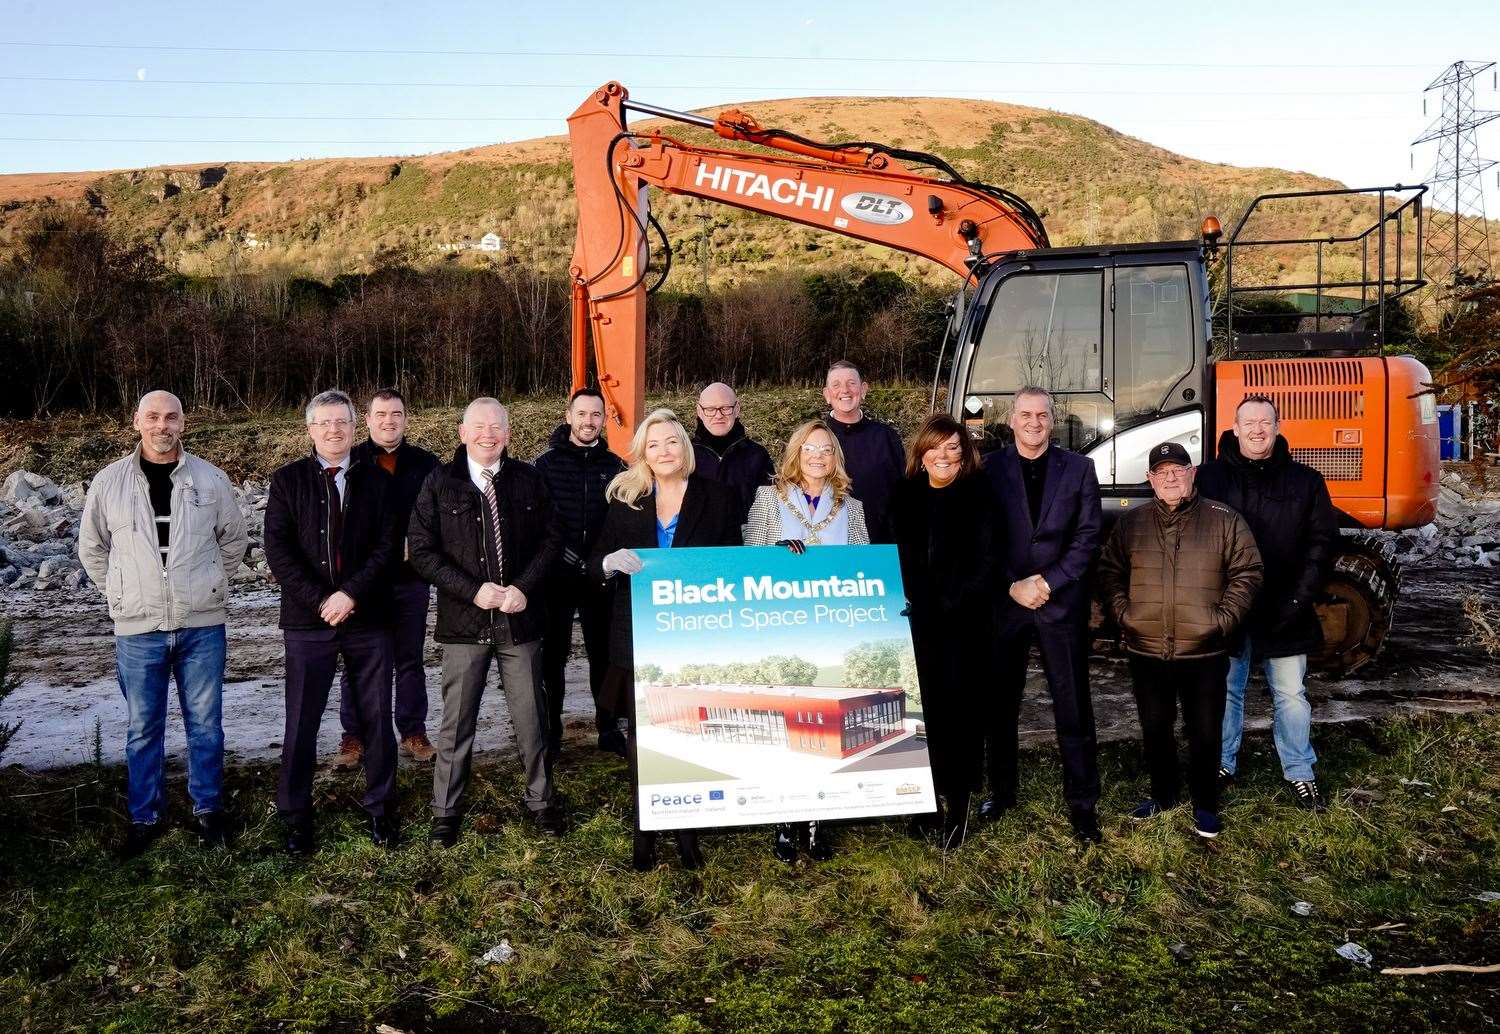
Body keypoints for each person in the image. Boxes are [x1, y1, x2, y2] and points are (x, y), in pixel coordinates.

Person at [79, 390, 248, 858]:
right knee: (142, 728)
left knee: (206, 725)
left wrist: (206, 584)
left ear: (183, 423)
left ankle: (209, 811)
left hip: (201, 626)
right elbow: (92, 548)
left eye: (170, 417)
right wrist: (121, 591)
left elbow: (233, 540)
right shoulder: (109, 482)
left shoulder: (211, 480)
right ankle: (144, 817)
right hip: (137, 629)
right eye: (152, 417)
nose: (161, 426)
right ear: (136, 421)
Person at [589, 408, 741, 872]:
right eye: (653, 445)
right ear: (642, 453)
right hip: (638, 634)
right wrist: (610, 562)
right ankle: (645, 829)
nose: (663, 451)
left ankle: (688, 830)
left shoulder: (716, 497)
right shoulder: (626, 500)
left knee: (690, 731)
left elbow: (733, 560)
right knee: (644, 737)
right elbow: (595, 560)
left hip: (695, 636)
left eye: (671, 441)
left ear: (685, 447)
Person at [408, 398, 563, 847]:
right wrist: (472, 590)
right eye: (479, 427)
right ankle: (446, 811)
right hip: (464, 621)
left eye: (496, 426)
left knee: (531, 718)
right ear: (462, 433)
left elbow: (552, 540)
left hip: (520, 618)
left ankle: (541, 802)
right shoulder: (439, 483)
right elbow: (421, 550)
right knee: (456, 722)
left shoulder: (529, 481)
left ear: (509, 433)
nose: (488, 434)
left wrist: (524, 587)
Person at [1097, 441, 1263, 839]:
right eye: (1162, 471)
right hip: (1147, 648)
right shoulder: (1132, 524)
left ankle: (1205, 804)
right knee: (1156, 726)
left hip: (1203, 650)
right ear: (1151, 479)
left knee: (1205, 729)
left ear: (1193, 474)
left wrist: (1220, 621)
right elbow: (1108, 571)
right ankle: (1163, 794)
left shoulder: (1224, 519)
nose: (1171, 477)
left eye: (1179, 469)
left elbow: (1249, 572)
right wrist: (1125, 614)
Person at [264, 389, 400, 855]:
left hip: (368, 617)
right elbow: (278, 553)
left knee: (378, 717)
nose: (334, 430)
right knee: (301, 720)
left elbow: (387, 548)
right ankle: (296, 815)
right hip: (308, 621)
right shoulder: (287, 482)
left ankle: (381, 808)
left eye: (342, 421)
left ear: (354, 426)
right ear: (310, 430)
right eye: (324, 423)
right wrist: (323, 599)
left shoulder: (378, 482)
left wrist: (350, 594)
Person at [1196, 395, 1337, 811]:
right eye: (1249, 422)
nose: (1257, 430)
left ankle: (1299, 769)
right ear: (1234, 428)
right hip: (1227, 608)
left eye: (1265, 422)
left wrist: (1298, 599)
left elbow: (1321, 545)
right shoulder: (1208, 480)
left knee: (1291, 693)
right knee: (1225, 690)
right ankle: (1221, 763)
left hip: (1285, 607)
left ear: (1277, 427)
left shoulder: (1306, 482)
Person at [980, 387, 1104, 843]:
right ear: (1010, 420)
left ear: (1053, 421)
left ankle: (1083, 802)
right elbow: (983, 538)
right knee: (1000, 705)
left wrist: (1047, 582)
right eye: (1025, 414)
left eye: (1042, 415)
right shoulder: (988, 469)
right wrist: (1012, 585)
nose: (1034, 422)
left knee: (1072, 704)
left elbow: (1088, 537)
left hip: (1060, 604)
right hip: (1006, 606)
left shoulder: (1079, 469)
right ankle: (1001, 790)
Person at [743, 419, 870, 864]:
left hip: (831, 631)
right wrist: (776, 551)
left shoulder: (850, 508)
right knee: (784, 722)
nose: (818, 457)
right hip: (780, 627)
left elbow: (863, 565)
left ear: (835, 457)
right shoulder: (768, 498)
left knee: (824, 722)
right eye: (810, 449)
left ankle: (819, 820)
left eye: (826, 450)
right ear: (796, 453)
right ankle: (784, 819)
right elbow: (750, 556)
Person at [890, 414, 997, 849]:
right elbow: (892, 554)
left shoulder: (980, 494)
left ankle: (958, 804)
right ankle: (924, 799)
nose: (945, 455)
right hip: (913, 623)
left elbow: (987, 563)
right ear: (922, 451)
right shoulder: (904, 494)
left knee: (960, 715)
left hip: (963, 624)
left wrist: (950, 603)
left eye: (954, 447)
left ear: (965, 453)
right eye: (937, 447)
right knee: (922, 713)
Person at [332, 388, 440, 770]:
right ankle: (353, 736)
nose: (389, 420)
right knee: (357, 660)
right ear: (368, 419)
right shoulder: (351, 461)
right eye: (381, 414)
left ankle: (413, 730)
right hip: (362, 582)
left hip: (411, 579)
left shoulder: (427, 464)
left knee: (409, 658)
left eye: (396, 413)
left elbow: (438, 519)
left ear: (406, 418)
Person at [534, 387, 628, 760]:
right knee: (553, 657)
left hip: (600, 577)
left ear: (604, 419)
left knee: (602, 655)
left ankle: (607, 728)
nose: (589, 421)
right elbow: (543, 521)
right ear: (569, 416)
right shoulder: (545, 464)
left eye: (596, 415)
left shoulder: (616, 466)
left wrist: (598, 562)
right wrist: (570, 558)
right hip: (556, 577)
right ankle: (552, 733)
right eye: (582, 414)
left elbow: (620, 521)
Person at [822, 361, 906, 543]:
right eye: (836, 385)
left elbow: (903, 497)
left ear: (863, 389)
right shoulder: (811, 439)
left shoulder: (887, 438)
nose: (845, 390)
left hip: (878, 546)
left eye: (851, 383)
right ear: (827, 395)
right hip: (826, 548)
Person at [690, 381, 775, 528]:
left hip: (745, 544)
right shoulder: (685, 455)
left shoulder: (758, 456)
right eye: (710, 409)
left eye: (725, 408)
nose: (718, 415)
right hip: (698, 545)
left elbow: (771, 508)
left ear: (737, 409)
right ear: (699, 411)